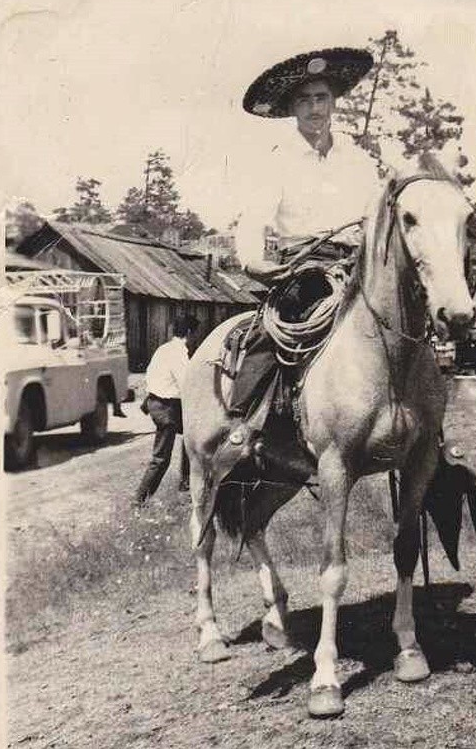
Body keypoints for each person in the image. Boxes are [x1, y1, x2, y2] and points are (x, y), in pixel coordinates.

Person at [228, 47, 381, 416]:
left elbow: (376, 215)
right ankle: (243, 422)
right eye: (304, 100)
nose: (315, 108)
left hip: (359, 265)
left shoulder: (359, 160)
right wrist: (253, 262)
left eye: (322, 98)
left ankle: (427, 440)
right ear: (293, 108)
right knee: (277, 333)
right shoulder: (278, 160)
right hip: (303, 266)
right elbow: (253, 218)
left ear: (334, 102)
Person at [133, 314, 199, 505]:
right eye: (195, 334)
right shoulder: (178, 353)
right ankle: (140, 499)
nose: (195, 338)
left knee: (192, 436)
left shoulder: (164, 349)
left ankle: (186, 482)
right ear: (188, 332)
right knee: (161, 457)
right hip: (166, 407)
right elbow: (187, 382)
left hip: (160, 402)